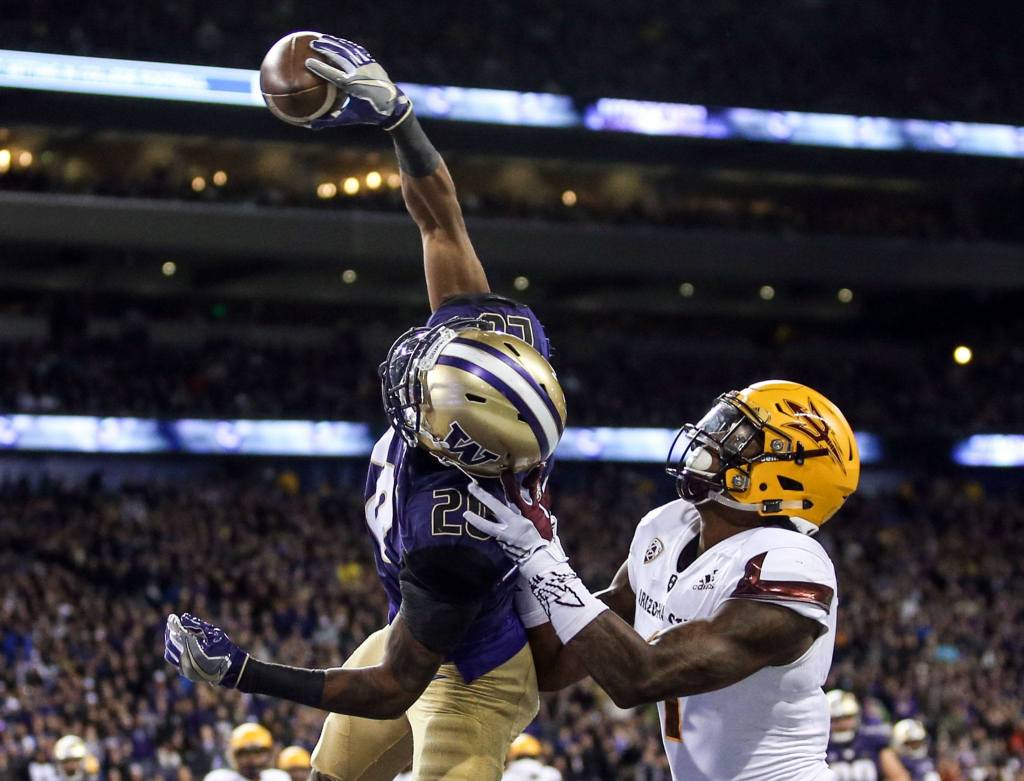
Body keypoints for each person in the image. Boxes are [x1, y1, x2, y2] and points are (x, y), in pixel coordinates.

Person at [163, 34, 567, 781]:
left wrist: (243, 671)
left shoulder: (455, 537)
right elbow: (440, 221)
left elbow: (391, 688)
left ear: (453, 442)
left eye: (427, 388)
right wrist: (398, 119)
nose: (415, 370)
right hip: (407, 631)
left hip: (472, 676)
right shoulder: (495, 351)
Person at [463, 381, 862, 781]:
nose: (712, 437)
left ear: (787, 474)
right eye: (723, 422)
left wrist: (542, 559)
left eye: (740, 435)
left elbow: (641, 676)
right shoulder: (669, 526)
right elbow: (557, 664)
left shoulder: (791, 563)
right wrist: (521, 563)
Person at [826, 691, 910, 781]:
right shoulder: (823, 747)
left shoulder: (872, 742)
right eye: (836, 720)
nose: (843, 724)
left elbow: (899, 777)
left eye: (847, 717)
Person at [204, 724, 289, 781]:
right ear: (233, 756)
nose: (253, 760)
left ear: (269, 754)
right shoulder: (219, 778)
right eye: (245, 754)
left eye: (258, 753)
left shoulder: (278, 777)